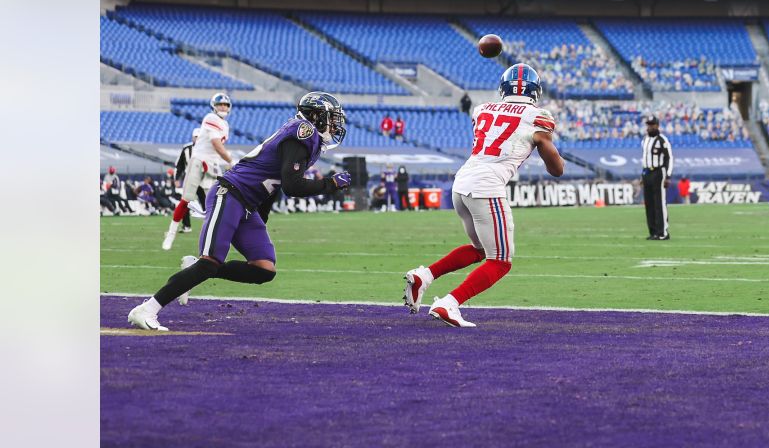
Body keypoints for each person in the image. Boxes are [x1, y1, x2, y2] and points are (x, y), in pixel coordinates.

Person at [128, 92, 353, 331]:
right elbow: (292, 185)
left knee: (264, 269)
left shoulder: (308, 138)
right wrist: (331, 184)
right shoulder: (303, 132)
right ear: (316, 116)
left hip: (247, 203)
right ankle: (147, 309)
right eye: (331, 117)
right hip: (231, 193)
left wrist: (261, 218)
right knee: (211, 261)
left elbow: (274, 183)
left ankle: (195, 270)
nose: (335, 124)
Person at [403, 63, 564, 327]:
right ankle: (450, 303)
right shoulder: (538, 116)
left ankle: (425, 276)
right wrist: (548, 150)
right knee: (500, 261)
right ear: (536, 91)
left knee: (480, 250)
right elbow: (556, 168)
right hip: (487, 186)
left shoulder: (483, 109)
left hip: (463, 181)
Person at [163, 94, 234, 251]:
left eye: (225, 105)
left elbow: (216, 149)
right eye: (220, 104)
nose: (223, 107)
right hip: (199, 162)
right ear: (214, 106)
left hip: (212, 165)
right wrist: (230, 160)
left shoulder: (225, 124)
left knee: (216, 204)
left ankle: (214, 239)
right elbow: (216, 144)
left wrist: (226, 162)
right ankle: (171, 233)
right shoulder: (210, 117)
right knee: (186, 198)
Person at [640, 115, 674, 240]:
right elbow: (644, 159)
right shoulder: (644, 140)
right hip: (647, 172)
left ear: (657, 125)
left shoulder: (662, 140)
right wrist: (642, 174)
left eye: (652, 124)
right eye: (648, 124)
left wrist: (668, 176)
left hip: (658, 172)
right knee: (649, 204)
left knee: (659, 203)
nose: (650, 127)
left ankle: (663, 232)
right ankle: (653, 231)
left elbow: (669, 158)